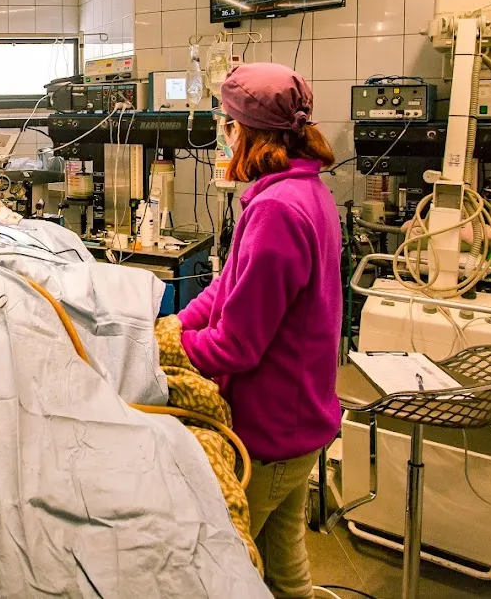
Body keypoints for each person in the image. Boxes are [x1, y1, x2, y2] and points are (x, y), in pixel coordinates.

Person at [175, 62, 342, 599]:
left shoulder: (277, 211)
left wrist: (171, 351)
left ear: (243, 131)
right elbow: (227, 287)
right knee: (285, 571)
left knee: (232, 571)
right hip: (300, 423)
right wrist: (174, 325)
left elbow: (236, 346)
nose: (223, 138)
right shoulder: (304, 191)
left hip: (270, 431)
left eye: (225, 126)